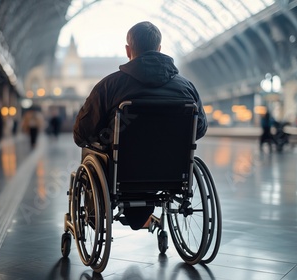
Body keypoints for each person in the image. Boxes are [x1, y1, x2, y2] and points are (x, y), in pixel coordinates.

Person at [73, 21, 208, 230]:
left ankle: (95, 217)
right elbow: (199, 128)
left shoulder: (110, 86)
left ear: (128, 50)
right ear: (159, 49)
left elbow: (82, 133)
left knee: (90, 151)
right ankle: (141, 217)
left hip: (122, 172)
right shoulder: (186, 87)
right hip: (171, 173)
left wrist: (103, 138)